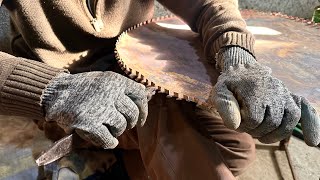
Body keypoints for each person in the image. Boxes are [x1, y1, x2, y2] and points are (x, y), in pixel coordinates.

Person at [0, 0, 319, 179]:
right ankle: (96, 151)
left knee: (237, 148)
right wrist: (51, 89)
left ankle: (120, 161)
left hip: (137, 65)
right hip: (69, 90)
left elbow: (207, 4)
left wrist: (237, 57)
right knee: (186, 147)